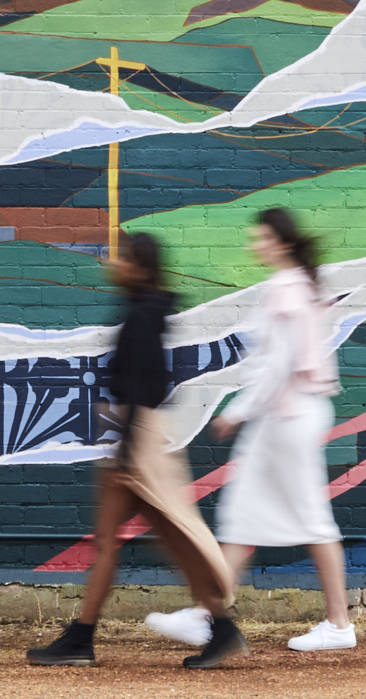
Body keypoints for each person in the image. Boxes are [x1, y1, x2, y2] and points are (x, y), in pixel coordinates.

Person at [27, 231, 248, 669]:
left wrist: (126, 452)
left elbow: (149, 385)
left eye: (122, 257)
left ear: (141, 268)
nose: (112, 262)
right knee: (160, 539)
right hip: (135, 437)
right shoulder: (142, 311)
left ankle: (84, 639)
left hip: (137, 440)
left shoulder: (144, 316)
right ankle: (86, 638)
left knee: (164, 538)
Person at [147, 207, 355, 654]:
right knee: (244, 517)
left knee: (305, 521)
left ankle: (338, 624)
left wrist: (238, 411)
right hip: (288, 417)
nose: (253, 245)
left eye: (260, 238)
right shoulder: (299, 285)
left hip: (288, 417)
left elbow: (279, 365)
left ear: (280, 242)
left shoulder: (286, 290)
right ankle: (210, 614)